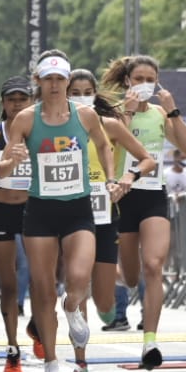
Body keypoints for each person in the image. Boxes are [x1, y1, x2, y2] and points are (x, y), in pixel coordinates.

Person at [0, 51, 124, 372]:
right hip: (40, 210)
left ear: (68, 81)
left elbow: (104, 146)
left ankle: (73, 309)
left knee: (79, 278)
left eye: (60, 79)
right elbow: (2, 169)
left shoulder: (85, 116)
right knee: (41, 290)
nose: (55, 85)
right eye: (48, 79)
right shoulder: (25, 119)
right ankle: (52, 363)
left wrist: (111, 178)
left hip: (78, 208)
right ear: (39, 81)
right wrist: (13, 158)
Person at [102, 54, 186, 370]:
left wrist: (173, 110)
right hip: (122, 197)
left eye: (150, 80)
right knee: (130, 278)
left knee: (154, 265)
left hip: (153, 195)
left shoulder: (159, 113)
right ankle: (102, 275)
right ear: (127, 81)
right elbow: (114, 145)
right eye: (138, 79)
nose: (144, 85)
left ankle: (150, 341)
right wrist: (127, 112)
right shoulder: (114, 114)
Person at [67, 69, 155, 336]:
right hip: (68, 214)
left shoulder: (110, 126)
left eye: (87, 93)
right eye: (75, 93)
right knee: (77, 284)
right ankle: (79, 356)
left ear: (95, 94)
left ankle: (105, 305)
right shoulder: (53, 126)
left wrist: (127, 177)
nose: (82, 98)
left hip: (104, 214)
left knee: (104, 304)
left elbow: (148, 160)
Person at [0, 76, 35, 372]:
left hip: (33, 209)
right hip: (2, 207)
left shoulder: (39, 132)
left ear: (31, 101)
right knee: (9, 283)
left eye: (22, 99)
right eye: (11, 99)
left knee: (43, 279)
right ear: (3, 103)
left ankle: (38, 326)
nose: (17, 104)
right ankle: (13, 349)